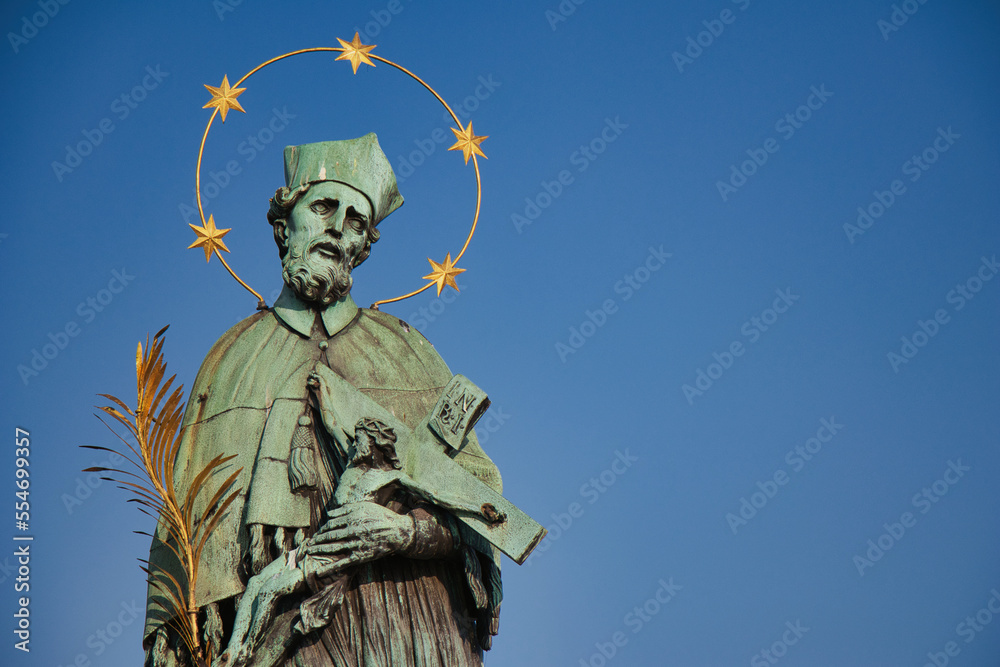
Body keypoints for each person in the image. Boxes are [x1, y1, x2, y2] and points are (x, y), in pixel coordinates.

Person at [143, 134, 503, 667]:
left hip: (412, 623)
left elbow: (487, 510)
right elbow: (184, 523)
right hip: (283, 632)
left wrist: (404, 532)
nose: (337, 228)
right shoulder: (231, 359)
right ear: (283, 225)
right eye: (323, 207)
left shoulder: (408, 351)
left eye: (356, 221)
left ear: (363, 246)